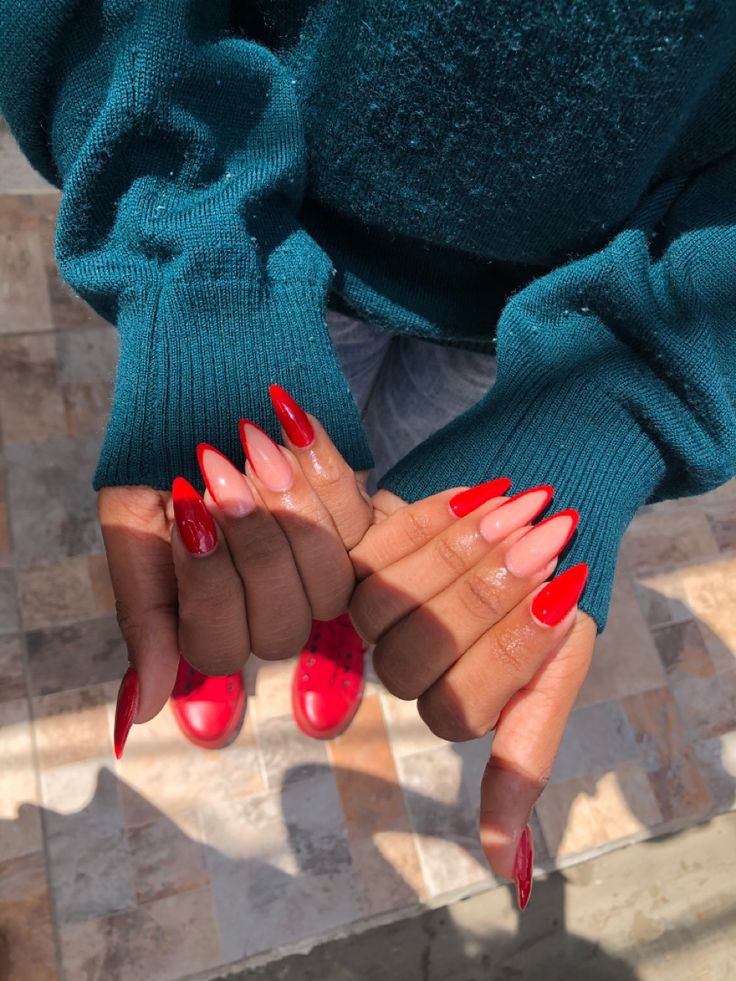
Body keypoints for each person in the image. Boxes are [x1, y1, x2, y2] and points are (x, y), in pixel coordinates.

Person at [1, 1, 734, 912]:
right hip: (297, 216)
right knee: (263, 483)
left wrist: (629, 382)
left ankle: (349, 593)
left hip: (553, 285)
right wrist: (202, 258)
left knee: (393, 484)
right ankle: (229, 581)